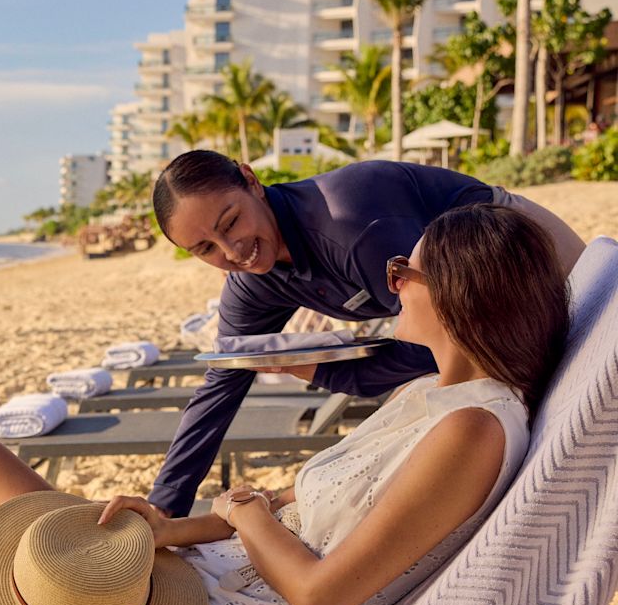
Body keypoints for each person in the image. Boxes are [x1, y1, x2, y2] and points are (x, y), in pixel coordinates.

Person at [0, 204, 570, 605]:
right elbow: (286, 498)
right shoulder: (431, 395)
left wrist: (244, 513)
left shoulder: (474, 431)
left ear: (456, 293)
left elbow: (319, 597)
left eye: (402, 270)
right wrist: (167, 530)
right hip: (215, 577)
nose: (390, 284)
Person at [148, 151, 584, 517]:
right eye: (205, 249)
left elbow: (442, 347)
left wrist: (323, 370)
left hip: (535, 263)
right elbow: (224, 380)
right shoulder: (252, 281)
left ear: (251, 179)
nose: (232, 252)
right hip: (473, 315)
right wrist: (165, 507)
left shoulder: (349, 223)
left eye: (230, 222)